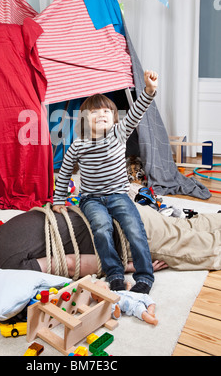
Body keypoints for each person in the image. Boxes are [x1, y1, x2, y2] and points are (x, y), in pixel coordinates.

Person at [52, 70, 158, 293]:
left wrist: (148, 91)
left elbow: (136, 113)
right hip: (91, 199)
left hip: (118, 194)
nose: (101, 115)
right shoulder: (78, 145)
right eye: (94, 112)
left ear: (114, 117)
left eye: (107, 111)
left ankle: (145, 276)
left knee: (134, 228)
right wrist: (59, 199)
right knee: (101, 227)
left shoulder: (119, 133)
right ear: (84, 119)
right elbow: (64, 173)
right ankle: (114, 273)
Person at [0, 205, 221, 273]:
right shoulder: (9, 223)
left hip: (130, 234)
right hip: (119, 209)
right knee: (188, 227)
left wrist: (123, 266)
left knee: (208, 252)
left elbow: (67, 262)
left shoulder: (7, 265)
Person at [91, 280, 158, 326]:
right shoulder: (110, 303)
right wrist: (116, 311)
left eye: (98, 297)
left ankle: (151, 310)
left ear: (106, 287)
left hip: (136, 295)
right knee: (142, 312)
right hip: (133, 306)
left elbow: (124, 293)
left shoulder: (114, 292)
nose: (98, 300)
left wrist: (128, 289)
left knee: (147, 297)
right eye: (97, 300)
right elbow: (116, 316)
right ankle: (152, 320)